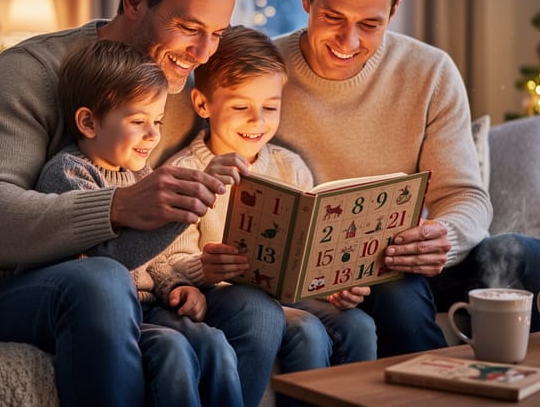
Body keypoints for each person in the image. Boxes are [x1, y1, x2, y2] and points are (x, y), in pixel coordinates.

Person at [0, 0, 285, 407]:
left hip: (141, 286)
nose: (203, 53)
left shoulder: (185, 80)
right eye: (188, 28)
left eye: (217, 33)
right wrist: (117, 206)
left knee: (255, 309)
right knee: (101, 280)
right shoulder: (30, 71)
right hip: (2, 286)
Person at [269, 0, 540, 357]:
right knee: (394, 290)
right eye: (333, 17)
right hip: (333, 280)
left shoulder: (429, 71)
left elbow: (466, 196)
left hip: (407, 259)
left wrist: (443, 236)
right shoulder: (261, 73)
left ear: (394, 9)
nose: (348, 41)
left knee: (532, 258)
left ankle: (530, 389)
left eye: (370, 23)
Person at [33, 38, 245, 406]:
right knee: (172, 350)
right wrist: (188, 206)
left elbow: (154, 259)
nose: (153, 134)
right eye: (138, 121)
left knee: (215, 344)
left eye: (158, 121)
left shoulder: (142, 173)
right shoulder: (68, 175)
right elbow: (106, 260)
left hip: (149, 307)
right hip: (104, 318)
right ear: (88, 122)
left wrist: (177, 285)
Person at [160, 25, 377, 379]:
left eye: (270, 107)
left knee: (359, 324)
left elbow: (314, 244)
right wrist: (204, 269)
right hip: (227, 299)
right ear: (203, 103)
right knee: (306, 332)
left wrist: (337, 284)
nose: (257, 121)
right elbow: (168, 263)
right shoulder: (184, 173)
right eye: (241, 106)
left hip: (291, 297)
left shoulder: (288, 166)